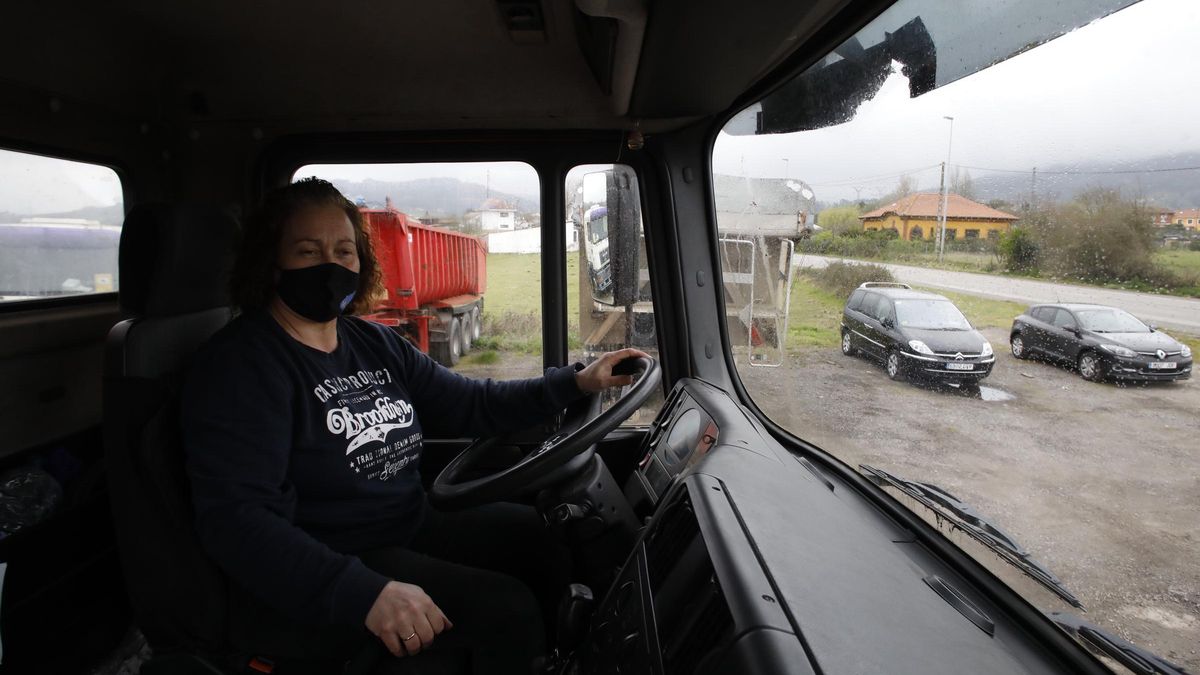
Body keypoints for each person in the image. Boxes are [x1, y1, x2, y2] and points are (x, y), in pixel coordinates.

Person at [181, 177, 647, 674]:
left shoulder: (371, 343)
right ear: (271, 264)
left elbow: (470, 403)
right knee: (505, 609)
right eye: (307, 250)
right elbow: (239, 523)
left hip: (408, 522)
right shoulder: (241, 367)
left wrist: (575, 384)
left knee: (545, 541)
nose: (330, 266)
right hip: (334, 557)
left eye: (344, 250)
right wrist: (363, 592)